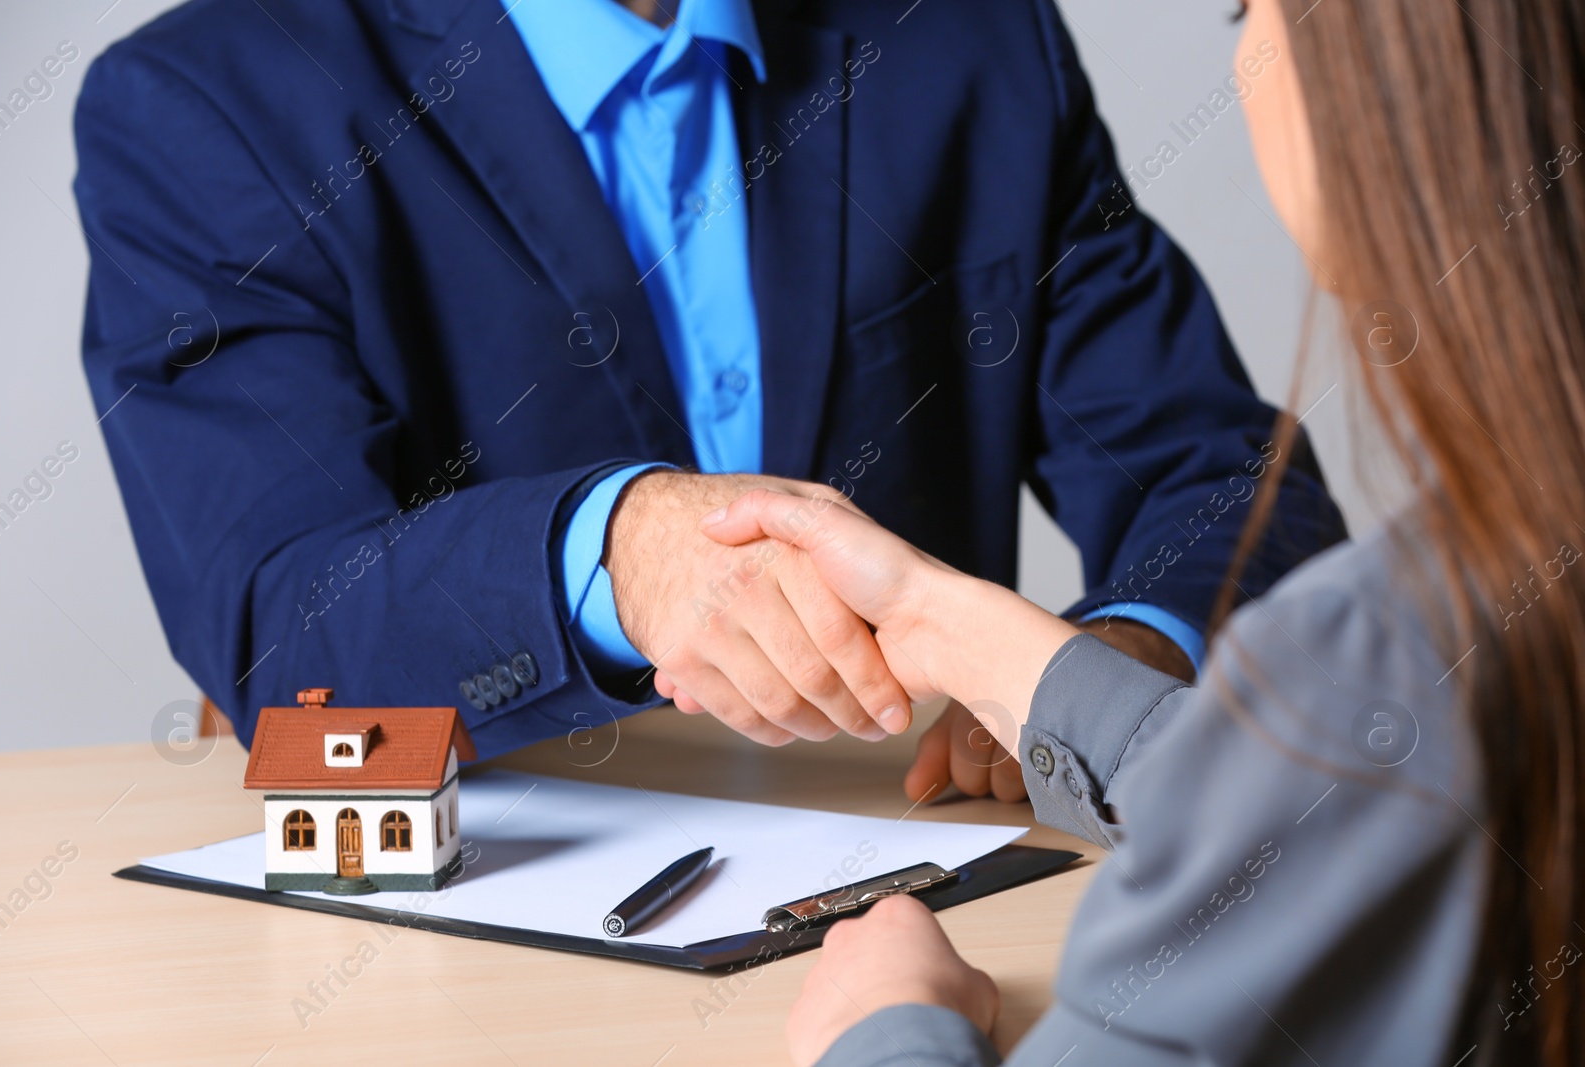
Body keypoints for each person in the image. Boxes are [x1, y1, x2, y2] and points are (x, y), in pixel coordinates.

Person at [72, 0, 1342, 780]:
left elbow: (1226, 477)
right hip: (489, 952)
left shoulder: (968, 33)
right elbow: (283, 621)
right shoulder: (206, 102)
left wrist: (1112, 670)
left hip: (921, 910)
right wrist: (613, 553)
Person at [698, 0, 1585, 1063]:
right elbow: (1345, 784)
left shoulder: (1382, 659)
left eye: (1243, 11)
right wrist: (970, 634)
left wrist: (883, 1022)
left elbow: (1352, 740)